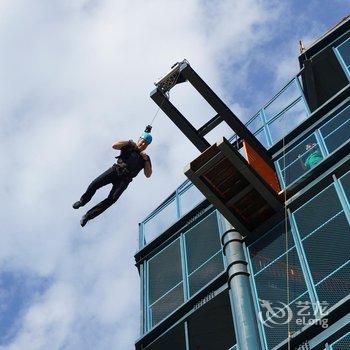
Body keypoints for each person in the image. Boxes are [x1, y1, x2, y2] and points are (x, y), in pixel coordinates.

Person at [73, 131, 153, 227]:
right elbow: (114, 146)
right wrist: (129, 142)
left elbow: (148, 174)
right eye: (142, 141)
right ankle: (82, 201)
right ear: (139, 140)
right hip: (115, 170)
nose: (143, 144)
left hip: (124, 180)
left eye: (146, 144)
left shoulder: (145, 158)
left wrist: (146, 160)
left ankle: (88, 216)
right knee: (95, 183)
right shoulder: (129, 146)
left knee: (112, 199)